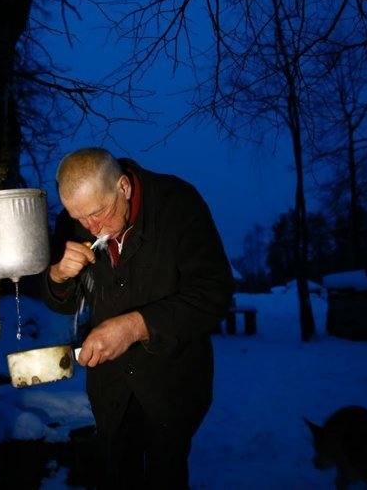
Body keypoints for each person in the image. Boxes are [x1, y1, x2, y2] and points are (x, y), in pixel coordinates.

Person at [41, 147, 234, 489]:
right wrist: (57, 276)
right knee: (118, 473)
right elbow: (65, 305)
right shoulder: (75, 223)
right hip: (111, 387)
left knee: (166, 475)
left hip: (172, 380)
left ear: (124, 188)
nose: (91, 227)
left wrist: (134, 326)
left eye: (99, 213)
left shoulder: (178, 204)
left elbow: (214, 294)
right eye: (79, 217)